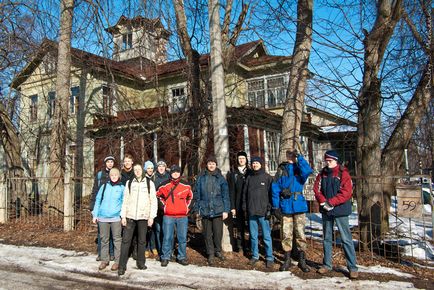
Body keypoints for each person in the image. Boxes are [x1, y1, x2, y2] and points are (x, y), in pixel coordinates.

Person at [313, 150, 358, 279]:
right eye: (326, 161)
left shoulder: (343, 173)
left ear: (336, 161)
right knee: (327, 238)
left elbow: (346, 192)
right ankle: (327, 264)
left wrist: (331, 202)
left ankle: (352, 267)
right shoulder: (322, 173)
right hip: (326, 210)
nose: (328, 163)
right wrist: (322, 201)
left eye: (330, 161)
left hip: (340, 210)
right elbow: (316, 188)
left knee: (346, 239)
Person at [271, 149, 313, 272]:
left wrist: (298, 157)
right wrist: (276, 206)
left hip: (298, 205)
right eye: (288, 153)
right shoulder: (281, 169)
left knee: (300, 233)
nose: (290, 156)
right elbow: (275, 188)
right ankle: (287, 259)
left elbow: (308, 171)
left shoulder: (299, 169)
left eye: (292, 154)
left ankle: (302, 260)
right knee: (286, 234)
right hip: (285, 205)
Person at [118, 163, 158, 276]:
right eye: (135, 170)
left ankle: (141, 263)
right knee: (126, 241)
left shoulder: (150, 184)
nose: (137, 171)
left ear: (143, 170)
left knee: (142, 241)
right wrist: (123, 216)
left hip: (143, 217)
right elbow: (125, 200)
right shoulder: (129, 183)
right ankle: (121, 266)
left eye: (139, 169)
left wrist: (151, 217)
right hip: (130, 216)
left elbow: (153, 201)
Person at [193, 155, 230, 265]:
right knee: (207, 233)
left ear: (216, 165)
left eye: (213, 163)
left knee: (218, 233)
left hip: (218, 209)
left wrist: (226, 210)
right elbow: (196, 194)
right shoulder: (201, 177)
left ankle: (218, 250)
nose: (211, 165)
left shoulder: (220, 178)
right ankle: (210, 253)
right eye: (209, 163)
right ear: (207, 165)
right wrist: (197, 209)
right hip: (205, 210)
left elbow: (225, 195)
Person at [156, 164, 193, 266]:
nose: (175, 173)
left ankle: (182, 257)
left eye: (177, 172)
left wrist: (187, 208)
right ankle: (165, 257)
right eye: (173, 172)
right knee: (167, 237)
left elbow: (191, 197)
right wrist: (164, 207)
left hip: (182, 216)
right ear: (171, 173)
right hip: (168, 215)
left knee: (182, 237)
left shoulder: (186, 185)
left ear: (180, 173)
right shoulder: (164, 185)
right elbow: (158, 196)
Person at [242, 156, 274, 268]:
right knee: (253, 236)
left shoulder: (267, 178)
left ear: (261, 164)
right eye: (253, 163)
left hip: (263, 212)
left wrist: (270, 208)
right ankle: (255, 256)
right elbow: (244, 194)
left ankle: (269, 257)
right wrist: (244, 207)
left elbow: (272, 195)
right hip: (251, 211)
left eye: (257, 163)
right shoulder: (249, 178)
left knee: (266, 236)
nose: (255, 165)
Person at [92, 168, 124, 271]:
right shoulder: (104, 186)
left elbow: (124, 203)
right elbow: (98, 200)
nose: (114, 177)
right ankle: (104, 260)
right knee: (104, 240)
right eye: (112, 175)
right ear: (109, 176)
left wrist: (123, 216)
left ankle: (117, 262)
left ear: (118, 176)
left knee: (117, 240)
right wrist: (95, 215)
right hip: (103, 217)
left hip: (116, 218)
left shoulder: (122, 187)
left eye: (116, 175)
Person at [90, 155, 115, 261]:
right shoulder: (100, 175)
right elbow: (95, 190)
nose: (110, 164)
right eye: (108, 162)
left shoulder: (115, 174)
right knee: (102, 233)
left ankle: (111, 253)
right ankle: (101, 253)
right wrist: (92, 207)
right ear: (105, 163)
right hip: (101, 208)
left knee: (112, 233)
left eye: (112, 162)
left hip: (113, 207)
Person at [227, 151, 252, 253]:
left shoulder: (250, 172)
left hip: (250, 203)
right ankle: (240, 246)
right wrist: (232, 207)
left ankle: (250, 246)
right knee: (240, 226)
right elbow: (231, 191)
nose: (241, 160)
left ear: (246, 160)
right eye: (240, 158)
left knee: (251, 226)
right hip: (238, 204)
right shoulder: (234, 174)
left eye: (243, 158)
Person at [153, 160, 171, 259]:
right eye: (159, 166)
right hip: (156, 208)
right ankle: (160, 250)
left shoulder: (169, 177)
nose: (161, 168)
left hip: (167, 208)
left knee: (167, 230)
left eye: (162, 166)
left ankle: (167, 250)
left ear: (165, 167)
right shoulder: (154, 177)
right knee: (158, 229)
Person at [143, 160, 158, 258]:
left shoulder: (155, 178)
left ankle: (153, 246)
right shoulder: (144, 179)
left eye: (151, 168)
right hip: (145, 206)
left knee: (153, 228)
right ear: (145, 169)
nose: (150, 170)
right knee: (145, 228)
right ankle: (146, 247)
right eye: (148, 168)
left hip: (155, 205)